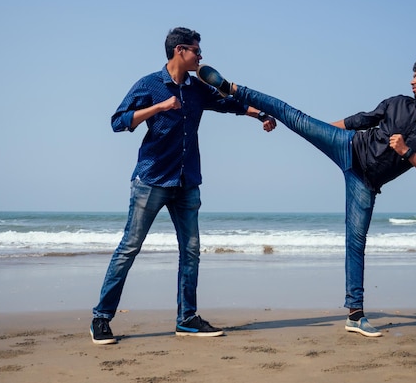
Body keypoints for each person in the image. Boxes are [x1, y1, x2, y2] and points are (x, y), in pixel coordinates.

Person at [197, 58, 416, 337]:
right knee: (292, 115)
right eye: (413, 76)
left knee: (356, 244)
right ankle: (230, 87)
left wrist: (408, 153)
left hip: (366, 182)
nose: (411, 80)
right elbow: (361, 120)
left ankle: (355, 316)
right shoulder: (397, 103)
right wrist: (316, 130)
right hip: (347, 146)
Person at [90, 27, 276, 345]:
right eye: (196, 51)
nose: (201, 57)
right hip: (151, 180)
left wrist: (259, 115)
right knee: (129, 249)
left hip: (187, 182)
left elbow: (228, 104)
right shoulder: (149, 84)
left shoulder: (197, 88)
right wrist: (158, 108)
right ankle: (101, 318)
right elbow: (118, 121)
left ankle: (187, 319)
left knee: (190, 252)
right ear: (180, 51)